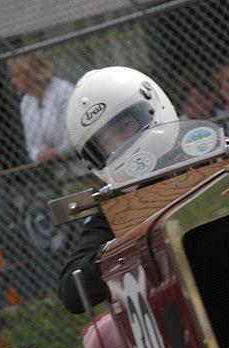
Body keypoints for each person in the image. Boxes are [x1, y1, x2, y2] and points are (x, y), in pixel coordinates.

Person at [57, 67, 178, 313]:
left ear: (153, 109)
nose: (121, 144)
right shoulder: (114, 206)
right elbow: (72, 290)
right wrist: (121, 248)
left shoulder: (210, 154)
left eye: (125, 127)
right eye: (106, 142)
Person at [8, 52, 76, 166]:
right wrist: (40, 155)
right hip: (54, 171)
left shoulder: (63, 91)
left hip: (79, 166)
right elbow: (32, 146)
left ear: (29, 74)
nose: (12, 82)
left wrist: (57, 153)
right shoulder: (26, 103)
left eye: (16, 76)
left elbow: (73, 138)